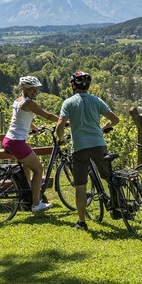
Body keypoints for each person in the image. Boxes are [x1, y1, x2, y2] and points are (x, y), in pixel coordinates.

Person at [55, 71, 120, 231]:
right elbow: (116, 119)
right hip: (98, 144)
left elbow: (59, 126)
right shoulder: (96, 100)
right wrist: (104, 127)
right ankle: (117, 206)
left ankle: (82, 221)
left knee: (81, 186)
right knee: (109, 176)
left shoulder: (68, 103)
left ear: (73, 85)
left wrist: (61, 137)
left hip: (79, 147)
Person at [2, 76, 59, 213]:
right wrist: (62, 121)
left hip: (10, 139)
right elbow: (48, 116)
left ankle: (26, 197)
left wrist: (33, 126)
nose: (35, 91)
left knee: (27, 168)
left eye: (37, 88)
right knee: (39, 170)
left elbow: (19, 118)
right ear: (24, 89)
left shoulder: (18, 101)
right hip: (16, 142)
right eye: (32, 89)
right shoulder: (29, 104)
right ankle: (35, 204)